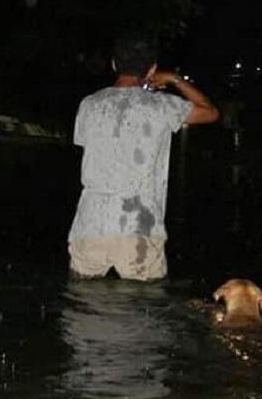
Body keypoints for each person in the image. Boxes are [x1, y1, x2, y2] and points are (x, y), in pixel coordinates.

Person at [68, 36, 219, 280]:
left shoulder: (89, 104)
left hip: (90, 225)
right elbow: (211, 112)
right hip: (140, 228)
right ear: (152, 69)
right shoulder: (163, 106)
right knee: (143, 307)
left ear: (114, 64)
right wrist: (173, 79)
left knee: (83, 307)